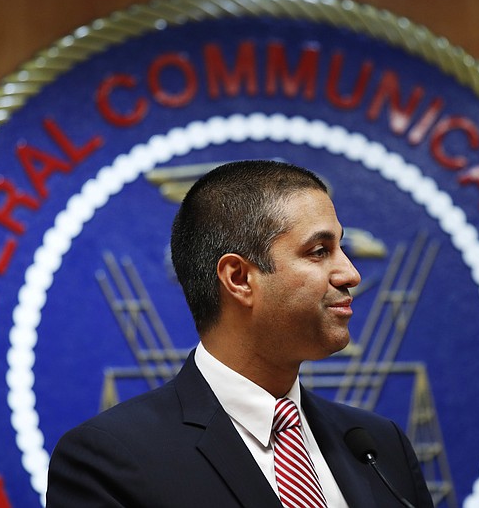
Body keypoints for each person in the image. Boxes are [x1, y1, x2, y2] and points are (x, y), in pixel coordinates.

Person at [46, 160, 433, 507]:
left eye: (342, 248)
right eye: (319, 251)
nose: (351, 274)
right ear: (239, 278)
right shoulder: (108, 460)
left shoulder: (380, 445)